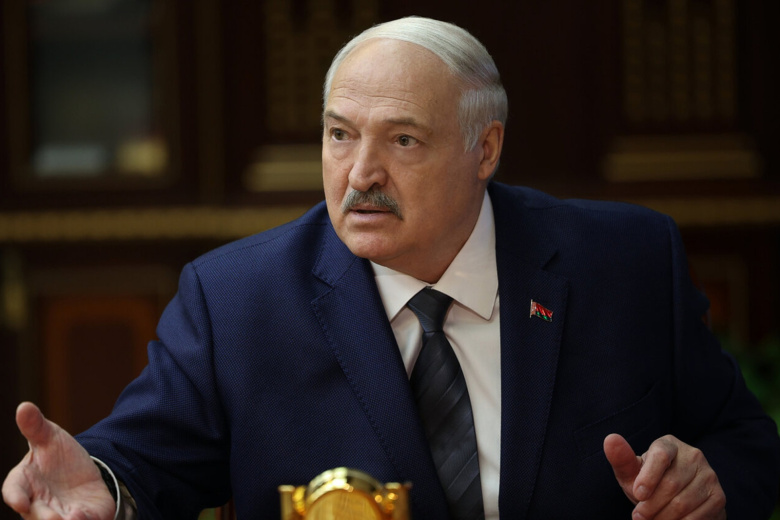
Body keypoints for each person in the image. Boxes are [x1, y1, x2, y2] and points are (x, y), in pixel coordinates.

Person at [3, 15, 780, 520]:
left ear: (485, 149)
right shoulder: (236, 300)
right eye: (340, 134)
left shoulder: (624, 262)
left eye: (403, 140)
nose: (360, 173)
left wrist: (710, 483)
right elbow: (141, 463)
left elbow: (745, 442)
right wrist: (102, 486)